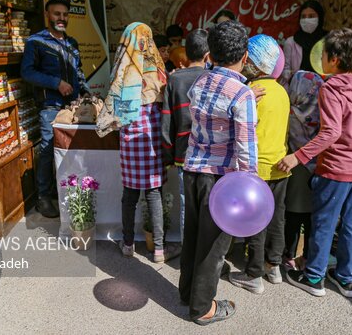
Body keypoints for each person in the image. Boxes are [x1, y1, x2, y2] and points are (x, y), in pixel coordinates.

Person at [278, 28, 352, 299]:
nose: (320, 58)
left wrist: (297, 156)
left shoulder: (331, 88)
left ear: (334, 58)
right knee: (351, 226)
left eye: (323, 54)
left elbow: (331, 132)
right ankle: (346, 279)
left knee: (323, 223)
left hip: (335, 169)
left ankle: (314, 277)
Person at [179, 20, 257, 325]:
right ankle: (202, 308)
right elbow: (246, 148)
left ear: (210, 52)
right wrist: (250, 188)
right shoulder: (242, 94)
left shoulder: (199, 83)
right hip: (221, 180)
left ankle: (187, 293)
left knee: (194, 236)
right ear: (245, 56)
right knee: (214, 246)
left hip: (193, 171)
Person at [95, 22, 177, 264]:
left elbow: (112, 109)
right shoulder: (158, 69)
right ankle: (159, 249)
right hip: (152, 141)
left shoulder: (122, 69)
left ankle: (128, 244)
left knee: (129, 195)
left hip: (131, 140)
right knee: (154, 195)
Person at [228, 34, 290, 294]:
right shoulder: (282, 92)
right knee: (276, 217)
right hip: (280, 165)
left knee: (256, 221)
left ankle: (253, 274)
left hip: (257, 168)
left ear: (254, 62)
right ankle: (273, 266)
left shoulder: (252, 93)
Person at [21, 0, 89, 218]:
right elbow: (28, 73)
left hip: (73, 106)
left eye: (65, 14)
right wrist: (56, 83)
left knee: (71, 149)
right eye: (56, 14)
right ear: (47, 15)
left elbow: (78, 72)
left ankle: (65, 190)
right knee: (49, 149)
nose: (61, 18)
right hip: (50, 105)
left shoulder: (72, 43)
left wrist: (86, 92)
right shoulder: (35, 42)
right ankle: (43, 197)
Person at [161, 29, 209, 242]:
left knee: (186, 205)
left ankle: (186, 252)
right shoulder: (214, 78)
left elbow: (166, 123)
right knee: (209, 206)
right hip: (211, 155)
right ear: (208, 55)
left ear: (185, 53)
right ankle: (204, 255)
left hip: (184, 153)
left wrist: (169, 156)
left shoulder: (174, 80)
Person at [282, 70, 324, 271]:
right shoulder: (323, 111)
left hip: (295, 164)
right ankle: (307, 256)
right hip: (317, 165)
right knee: (311, 217)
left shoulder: (288, 112)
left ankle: (288, 255)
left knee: (292, 214)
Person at [279, 0, 327, 88]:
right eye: (303, 17)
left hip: (322, 91)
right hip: (297, 93)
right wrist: (295, 77)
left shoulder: (327, 41)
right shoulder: (291, 42)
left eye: (311, 16)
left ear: (320, 17)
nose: (307, 20)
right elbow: (285, 70)